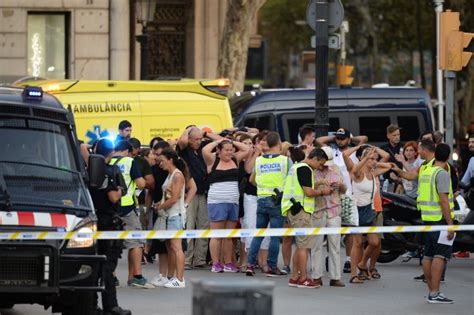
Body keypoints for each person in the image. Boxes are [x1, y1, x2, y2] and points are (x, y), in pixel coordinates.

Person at [316, 127, 368, 273]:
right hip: (331, 195)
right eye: (338, 138)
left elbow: (364, 139)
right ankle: (330, 257)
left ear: (348, 139)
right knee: (332, 228)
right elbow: (319, 141)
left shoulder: (353, 153)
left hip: (349, 194)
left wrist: (352, 141)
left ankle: (349, 259)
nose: (340, 141)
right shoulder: (331, 151)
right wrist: (334, 138)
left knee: (350, 229)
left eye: (342, 138)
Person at [89, 139, 131, 315]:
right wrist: (121, 189)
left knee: (93, 265)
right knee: (107, 266)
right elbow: (114, 197)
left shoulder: (89, 170)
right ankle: (110, 306)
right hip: (107, 222)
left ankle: (91, 305)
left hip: (93, 221)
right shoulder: (108, 171)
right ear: (112, 152)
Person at [282, 148, 329, 288]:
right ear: (315, 159)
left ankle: (294, 277)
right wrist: (323, 192)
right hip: (301, 211)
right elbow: (308, 192)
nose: (320, 167)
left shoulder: (296, 166)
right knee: (304, 246)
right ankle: (303, 278)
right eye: (320, 164)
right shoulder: (305, 169)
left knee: (299, 246)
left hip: (292, 209)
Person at [246, 131, 290, 277]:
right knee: (275, 236)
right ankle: (272, 266)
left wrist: (262, 186)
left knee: (258, 234)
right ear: (278, 143)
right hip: (277, 200)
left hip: (262, 199)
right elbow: (292, 180)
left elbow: (251, 179)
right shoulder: (284, 160)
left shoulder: (259, 160)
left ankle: (250, 264)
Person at [344, 145, 391, 284]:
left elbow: (388, 166)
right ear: (364, 159)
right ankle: (353, 275)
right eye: (371, 159)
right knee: (357, 243)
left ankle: (363, 263)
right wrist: (364, 154)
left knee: (374, 242)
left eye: (374, 159)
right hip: (357, 210)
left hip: (369, 210)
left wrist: (375, 161)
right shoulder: (358, 174)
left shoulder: (373, 173)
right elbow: (346, 156)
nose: (373, 162)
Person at [177, 127, 222, 269]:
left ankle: (200, 259)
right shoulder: (184, 150)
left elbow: (221, 141)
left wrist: (205, 134)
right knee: (189, 225)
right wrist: (188, 129)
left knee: (204, 225)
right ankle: (187, 260)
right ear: (189, 139)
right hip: (189, 192)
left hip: (203, 191)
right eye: (196, 139)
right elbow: (182, 140)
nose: (199, 141)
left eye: (200, 139)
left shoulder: (202, 148)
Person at [202, 138, 249, 272]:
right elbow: (204, 150)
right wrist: (218, 141)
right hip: (217, 201)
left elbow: (246, 149)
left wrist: (232, 142)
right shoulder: (213, 160)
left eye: (231, 150)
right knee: (217, 234)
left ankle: (228, 263)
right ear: (219, 151)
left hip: (233, 201)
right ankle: (216, 263)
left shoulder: (235, 159)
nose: (229, 152)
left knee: (228, 235)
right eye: (226, 150)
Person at [110, 140, 151, 288]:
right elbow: (141, 184)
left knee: (111, 243)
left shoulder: (106, 160)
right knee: (136, 241)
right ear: (128, 151)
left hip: (110, 207)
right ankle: (137, 276)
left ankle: (112, 277)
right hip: (127, 207)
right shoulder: (129, 161)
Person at [417, 143, 455, 303]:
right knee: (440, 256)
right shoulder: (442, 173)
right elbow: (444, 200)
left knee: (428, 255)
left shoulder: (427, 171)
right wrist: (450, 224)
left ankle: (431, 292)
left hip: (427, 219)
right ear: (447, 157)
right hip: (440, 220)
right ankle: (434, 292)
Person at [153, 149, 189, 288]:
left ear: (170, 160)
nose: (160, 163)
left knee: (176, 247)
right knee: (170, 247)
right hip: (168, 215)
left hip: (175, 216)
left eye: (162, 160)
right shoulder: (170, 175)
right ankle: (172, 276)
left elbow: (174, 199)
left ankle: (180, 278)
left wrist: (160, 206)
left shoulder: (177, 176)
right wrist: (160, 204)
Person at [311, 146, 346, 287]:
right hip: (318, 209)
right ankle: (316, 276)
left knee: (335, 245)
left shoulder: (336, 169)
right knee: (316, 245)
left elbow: (344, 189)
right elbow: (307, 189)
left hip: (334, 209)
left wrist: (340, 185)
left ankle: (335, 277)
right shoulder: (311, 170)